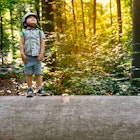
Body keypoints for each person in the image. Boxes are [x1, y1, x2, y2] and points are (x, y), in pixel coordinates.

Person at [20, 12, 46, 97]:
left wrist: (42, 53)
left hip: (37, 56)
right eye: (30, 18)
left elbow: (42, 43)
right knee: (29, 73)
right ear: (25, 22)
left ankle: (40, 88)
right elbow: (21, 43)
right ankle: (30, 89)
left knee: (38, 73)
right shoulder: (24, 32)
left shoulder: (39, 32)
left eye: (34, 18)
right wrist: (22, 53)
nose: (32, 19)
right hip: (28, 56)